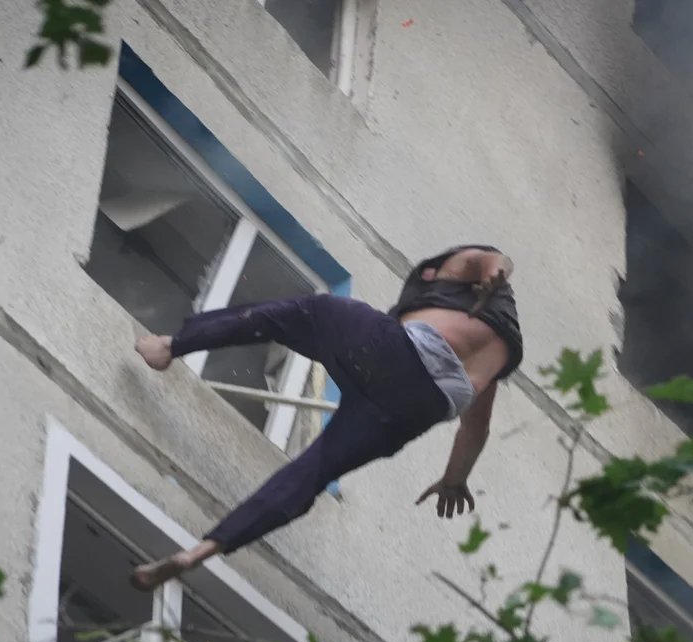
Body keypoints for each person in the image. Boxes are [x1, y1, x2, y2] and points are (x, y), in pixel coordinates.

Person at [130, 245, 522, 591]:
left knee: (303, 312)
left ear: (433, 277)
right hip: (413, 410)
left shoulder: (449, 274)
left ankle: (172, 345)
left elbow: (490, 259)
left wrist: (495, 272)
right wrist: (454, 480)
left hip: (386, 350)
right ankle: (204, 550)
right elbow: (475, 428)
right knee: (314, 471)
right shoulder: (496, 362)